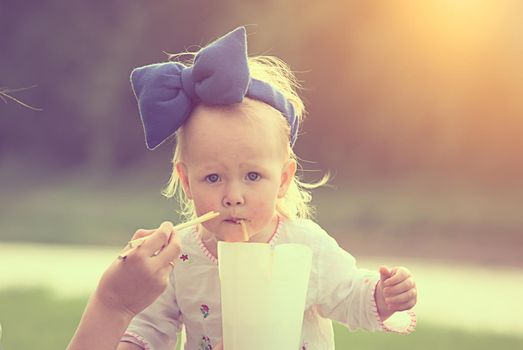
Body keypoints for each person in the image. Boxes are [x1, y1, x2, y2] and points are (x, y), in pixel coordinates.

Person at [69, 26, 417, 350]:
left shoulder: (303, 246)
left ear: (282, 179)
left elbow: (349, 294)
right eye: (213, 178)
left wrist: (384, 296)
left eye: (252, 176)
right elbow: (147, 328)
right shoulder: (180, 257)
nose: (233, 196)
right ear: (187, 182)